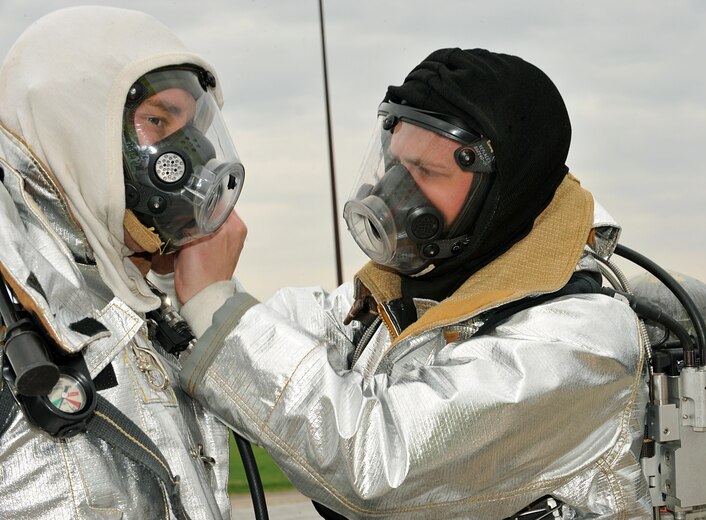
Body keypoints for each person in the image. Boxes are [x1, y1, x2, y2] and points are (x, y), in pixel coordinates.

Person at [177, 50, 653, 518]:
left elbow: (380, 468)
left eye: (428, 172)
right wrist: (173, 270)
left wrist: (212, 304)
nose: (393, 192)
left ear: (502, 194)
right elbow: (282, 326)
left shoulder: (579, 343)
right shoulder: (403, 295)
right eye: (397, 165)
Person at [0, 6, 245, 519]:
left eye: (194, 126)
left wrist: (213, 306)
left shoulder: (157, 308)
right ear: (75, 133)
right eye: (157, 120)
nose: (194, 152)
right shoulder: (16, 314)